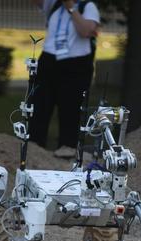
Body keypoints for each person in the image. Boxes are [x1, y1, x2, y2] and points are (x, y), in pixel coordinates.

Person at [29, 0, 100, 150]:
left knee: (71, 107)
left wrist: (71, 8)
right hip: (49, 59)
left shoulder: (87, 6)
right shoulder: (54, 4)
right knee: (40, 104)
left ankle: (67, 147)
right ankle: (35, 145)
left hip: (76, 63)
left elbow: (86, 31)